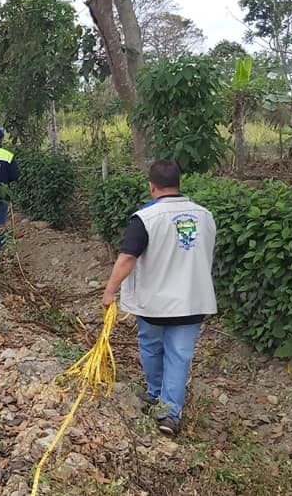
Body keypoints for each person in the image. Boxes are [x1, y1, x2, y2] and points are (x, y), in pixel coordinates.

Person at [100, 159, 217, 437]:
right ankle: (169, 414)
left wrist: (110, 290)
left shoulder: (146, 218)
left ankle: (155, 393)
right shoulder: (204, 216)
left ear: (151, 186)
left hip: (155, 303)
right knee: (179, 356)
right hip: (193, 300)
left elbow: (128, 257)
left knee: (152, 347)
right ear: (179, 183)